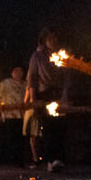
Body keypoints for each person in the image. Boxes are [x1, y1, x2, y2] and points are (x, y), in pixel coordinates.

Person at [25, 28, 69, 172]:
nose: (52, 40)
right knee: (48, 128)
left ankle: (60, 159)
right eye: (49, 38)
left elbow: (67, 78)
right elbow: (32, 78)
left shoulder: (62, 55)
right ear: (45, 40)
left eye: (54, 38)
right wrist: (33, 98)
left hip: (59, 93)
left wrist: (64, 96)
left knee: (60, 127)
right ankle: (51, 161)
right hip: (44, 94)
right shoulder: (37, 56)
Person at [0, 66, 27, 165]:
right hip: (8, 115)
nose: (18, 74)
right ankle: (8, 160)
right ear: (12, 73)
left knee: (19, 139)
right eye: (16, 71)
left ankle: (19, 160)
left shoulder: (25, 84)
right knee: (9, 138)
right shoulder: (5, 83)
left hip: (21, 116)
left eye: (20, 71)